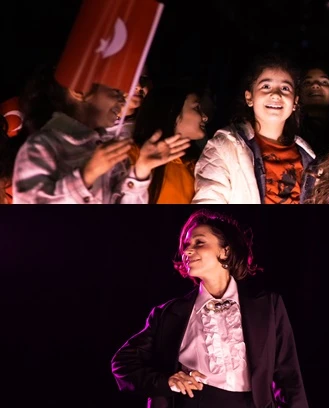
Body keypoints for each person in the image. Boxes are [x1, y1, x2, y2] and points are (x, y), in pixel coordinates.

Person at [111, 209, 307, 408]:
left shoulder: (268, 305)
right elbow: (122, 363)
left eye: (199, 243)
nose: (187, 251)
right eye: (186, 245)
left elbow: (289, 377)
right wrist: (166, 381)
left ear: (225, 251)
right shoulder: (168, 314)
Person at [12, 65, 189, 203]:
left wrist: (141, 170)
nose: (122, 99)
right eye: (116, 91)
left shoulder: (108, 148)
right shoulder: (43, 146)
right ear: (80, 90)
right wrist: (88, 174)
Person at [193, 53, 316, 204]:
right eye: (266, 86)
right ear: (249, 97)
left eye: (285, 88)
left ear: (295, 102)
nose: (276, 95)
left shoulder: (307, 156)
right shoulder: (224, 147)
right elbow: (208, 204)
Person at [130, 82, 207, 203]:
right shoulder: (132, 155)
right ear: (172, 111)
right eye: (196, 108)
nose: (205, 117)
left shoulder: (194, 165)